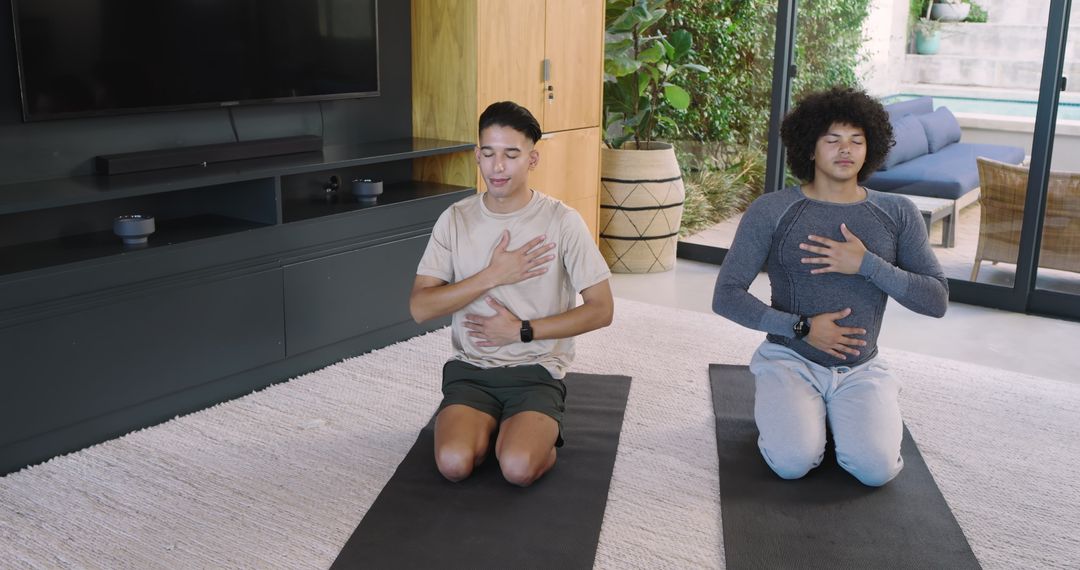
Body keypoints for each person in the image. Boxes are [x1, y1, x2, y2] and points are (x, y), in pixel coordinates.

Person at [712, 86, 948, 486]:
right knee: (792, 463)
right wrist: (801, 327)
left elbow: (936, 300)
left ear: (869, 148)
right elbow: (726, 295)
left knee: (877, 471)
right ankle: (787, 406)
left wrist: (866, 264)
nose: (846, 150)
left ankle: (843, 413)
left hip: (862, 366)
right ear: (809, 148)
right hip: (790, 360)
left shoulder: (897, 213)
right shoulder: (771, 210)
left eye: (857, 140)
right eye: (832, 139)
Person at [409, 101, 614, 487]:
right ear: (477, 155)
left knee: (518, 469)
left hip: (536, 371)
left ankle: (524, 433)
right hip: (471, 370)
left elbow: (602, 309)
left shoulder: (562, 221)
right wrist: (492, 274)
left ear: (532, 159)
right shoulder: (455, 218)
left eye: (511, 155)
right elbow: (420, 307)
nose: (497, 166)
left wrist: (522, 330)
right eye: (488, 154)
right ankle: (490, 430)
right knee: (453, 464)